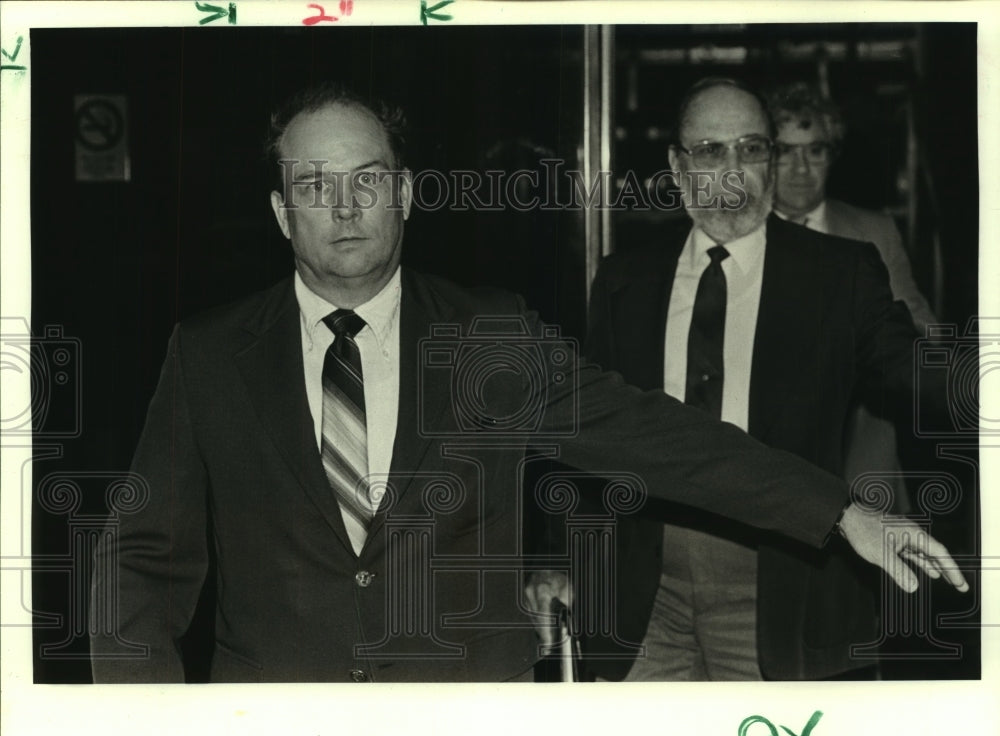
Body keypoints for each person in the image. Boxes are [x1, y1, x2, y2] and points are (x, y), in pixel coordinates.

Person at [89, 81, 966, 683]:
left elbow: (657, 437)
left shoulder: (487, 334)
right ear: (282, 211)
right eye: (315, 185)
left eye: (368, 181)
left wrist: (841, 511)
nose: (345, 207)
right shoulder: (207, 355)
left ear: (407, 195)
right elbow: (141, 559)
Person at [540, 77, 960, 682]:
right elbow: (588, 435)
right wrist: (559, 559)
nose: (733, 172)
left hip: (783, 589)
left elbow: (914, 368)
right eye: (710, 152)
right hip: (644, 595)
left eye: (752, 149)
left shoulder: (837, 275)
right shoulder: (624, 280)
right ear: (677, 166)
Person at [767, 81, 936, 514]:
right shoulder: (742, 236)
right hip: (765, 460)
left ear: (833, 155)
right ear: (763, 157)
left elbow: (923, 332)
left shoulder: (875, 231)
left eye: (816, 150)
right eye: (786, 152)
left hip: (862, 457)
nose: (801, 168)